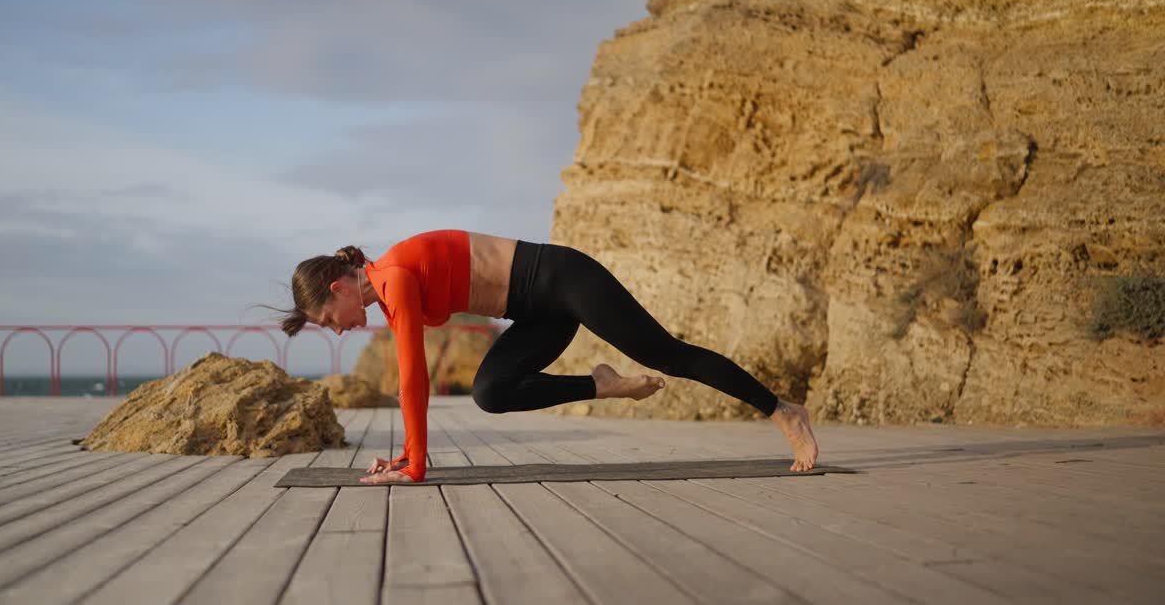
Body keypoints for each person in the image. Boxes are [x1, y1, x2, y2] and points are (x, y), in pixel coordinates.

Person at [276, 229, 818, 484]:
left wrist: (413, 468)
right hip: (535, 314)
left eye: (328, 320)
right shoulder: (390, 292)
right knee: (490, 392)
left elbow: (412, 382)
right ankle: (602, 385)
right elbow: (411, 383)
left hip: (562, 279)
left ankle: (782, 410)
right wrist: (404, 458)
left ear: (338, 287)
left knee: (667, 353)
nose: (338, 331)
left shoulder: (392, 278)